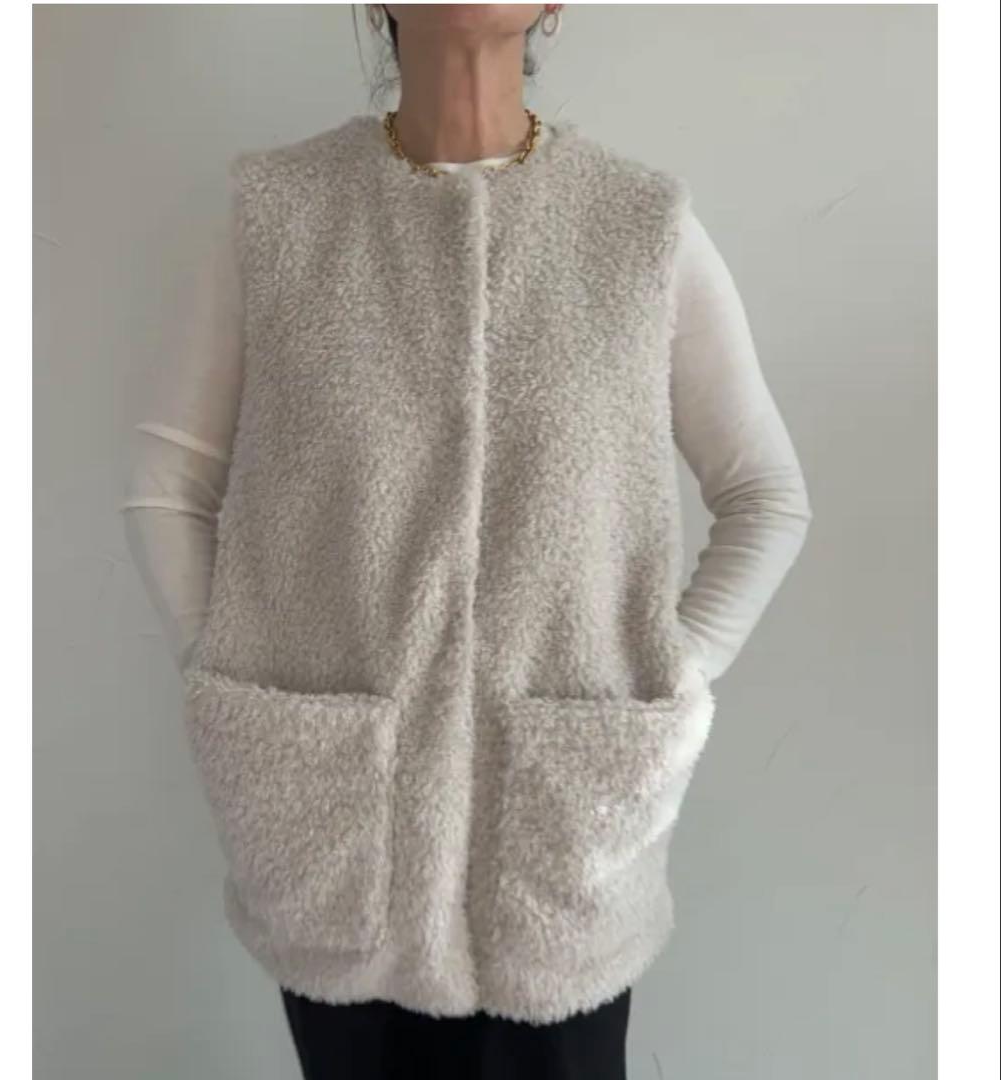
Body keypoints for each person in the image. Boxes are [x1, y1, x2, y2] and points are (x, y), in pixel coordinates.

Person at [121, 5, 812, 1078]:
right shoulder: (278, 213)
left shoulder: (637, 225)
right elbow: (166, 485)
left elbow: (765, 496)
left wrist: (666, 683)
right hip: (335, 828)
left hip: (563, 837)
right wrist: (225, 675)